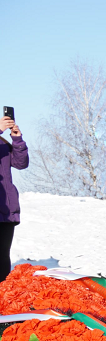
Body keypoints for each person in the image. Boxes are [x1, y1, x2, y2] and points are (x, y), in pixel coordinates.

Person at [0, 115, 26, 282]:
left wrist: (17, 140)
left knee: (2, 258)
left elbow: (21, 163)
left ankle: (2, 300)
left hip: (6, 210)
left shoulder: (2, 143)